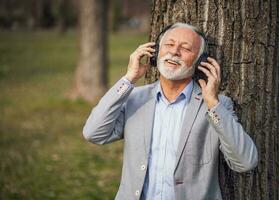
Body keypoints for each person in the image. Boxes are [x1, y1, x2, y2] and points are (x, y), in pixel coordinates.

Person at [83, 22, 258, 200]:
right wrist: (129, 79)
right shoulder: (135, 99)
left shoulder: (216, 107)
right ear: (156, 52)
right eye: (169, 44)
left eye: (185, 48)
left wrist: (213, 103)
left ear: (200, 62)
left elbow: (245, 162)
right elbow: (94, 133)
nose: (174, 52)